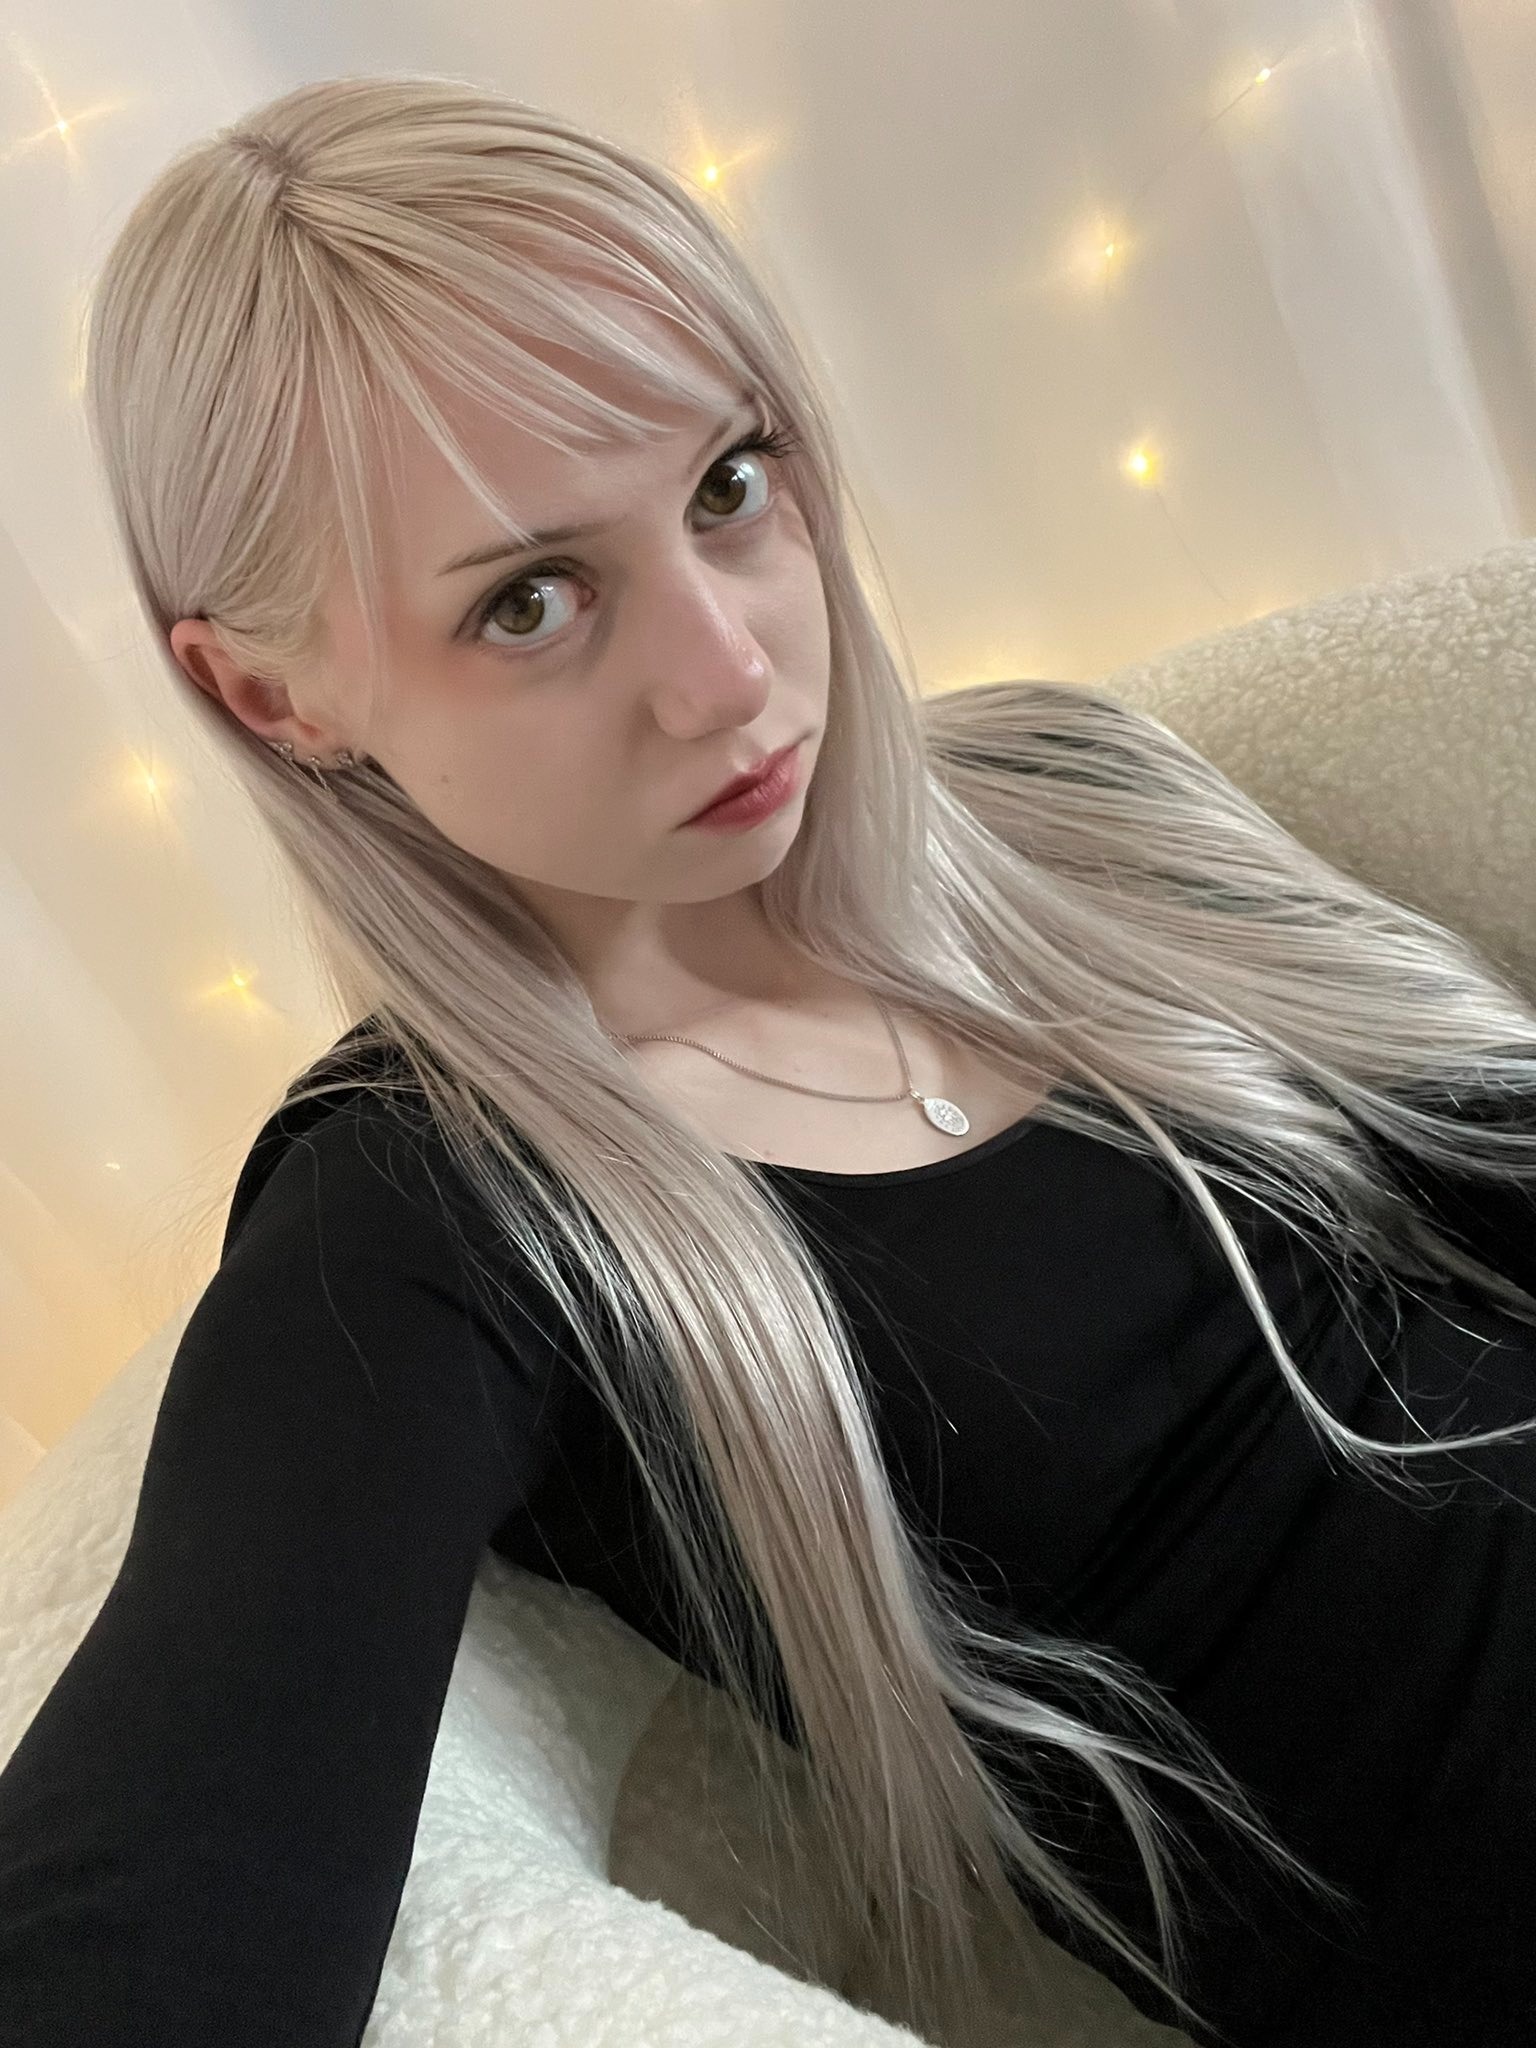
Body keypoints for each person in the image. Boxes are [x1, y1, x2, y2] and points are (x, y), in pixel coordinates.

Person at [3, 70, 1536, 2048]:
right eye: (531, 602)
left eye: (729, 485)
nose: (728, 669)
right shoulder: (436, 1218)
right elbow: (147, 1910)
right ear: (269, 692)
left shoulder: (1061, 795)